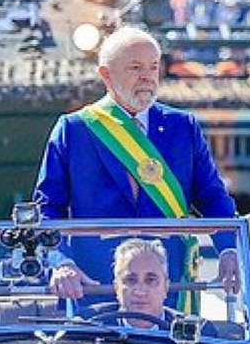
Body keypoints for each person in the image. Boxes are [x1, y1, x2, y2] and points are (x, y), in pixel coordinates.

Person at [34, 26, 239, 301]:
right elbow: (48, 207)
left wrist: (229, 250)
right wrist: (61, 262)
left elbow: (212, 197)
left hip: (169, 284)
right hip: (95, 286)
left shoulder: (182, 126)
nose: (146, 77)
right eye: (135, 67)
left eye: (153, 67)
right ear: (106, 75)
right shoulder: (75, 129)